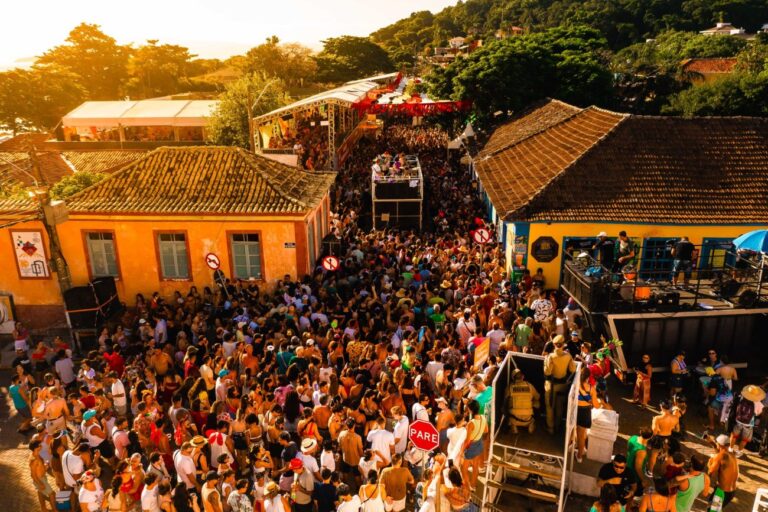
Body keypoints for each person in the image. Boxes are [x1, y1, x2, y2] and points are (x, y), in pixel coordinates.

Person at [543, 335, 576, 434]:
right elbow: (573, 369)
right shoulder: (568, 356)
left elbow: (547, 372)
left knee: (550, 407)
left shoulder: (551, 356)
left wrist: (546, 361)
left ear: (554, 345)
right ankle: (557, 427)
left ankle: (550, 428)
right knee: (559, 407)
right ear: (563, 345)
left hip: (551, 385)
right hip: (562, 385)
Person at [729, 384, 766, 456]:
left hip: (738, 420)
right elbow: (758, 414)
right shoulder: (758, 403)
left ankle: (730, 449)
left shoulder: (742, 398)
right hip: (748, 424)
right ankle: (738, 452)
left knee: (734, 435)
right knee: (744, 439)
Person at [707, 434, 739, 509]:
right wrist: (710, 441)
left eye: (717, 443)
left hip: (722, 492)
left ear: (719, 444)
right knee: (715, 509)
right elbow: (720, 450)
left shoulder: (720, 456)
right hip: (732, 491)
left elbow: (710, 472)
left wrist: (710, 463)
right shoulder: (732, 454)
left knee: (712, 510)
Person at [648, 400, 680, 476]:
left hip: (659, 438)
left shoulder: (657, 418)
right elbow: (677, 430)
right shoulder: (676, 418)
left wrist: (653, 422)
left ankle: (650, 471)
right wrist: (670, 427)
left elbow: (654, 431)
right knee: (666, 455)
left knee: (654, 455)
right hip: (669, 437)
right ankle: (663, 472)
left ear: (661, 407)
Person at [505, 369, 540, 434]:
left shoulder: (510, 387)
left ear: (513, 378)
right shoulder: (529, 385)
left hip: (514, 418)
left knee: (507, 403)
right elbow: (537, 397)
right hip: (528, 419)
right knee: (537, 403)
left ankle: (513, 426)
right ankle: (531, 423)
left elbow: (505, 400)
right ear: (523, 376)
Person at [576, 366, 599, 463]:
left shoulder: (576, 386)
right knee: (581, 436)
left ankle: (578, 448)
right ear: (588, 377)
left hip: (576, 411)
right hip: (585, 413)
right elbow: (596, 405)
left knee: (577, 433)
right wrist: (600, 402)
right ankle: (579, 456)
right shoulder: (591, 389)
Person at [29, 439, 57, 512]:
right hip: (40, 480)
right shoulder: (34, 460)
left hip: (42, 477)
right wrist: (40, 483)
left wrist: (45, 466)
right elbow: (33, 474)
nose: (41, 446)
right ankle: (55, 510)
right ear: (35, 448)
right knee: (52, 494)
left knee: (41, 493)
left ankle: (43, 508)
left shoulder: (37, 454)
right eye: (39, 445)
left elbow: (39, 468)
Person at [626, 428, 651, 494]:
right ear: (650, 437)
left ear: (640, 432)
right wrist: (644, 479)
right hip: (634, 476)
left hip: (627, 468)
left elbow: (628, 449)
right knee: (632, 494)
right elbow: (638, 468)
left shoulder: (633, 438)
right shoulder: (642, 451)